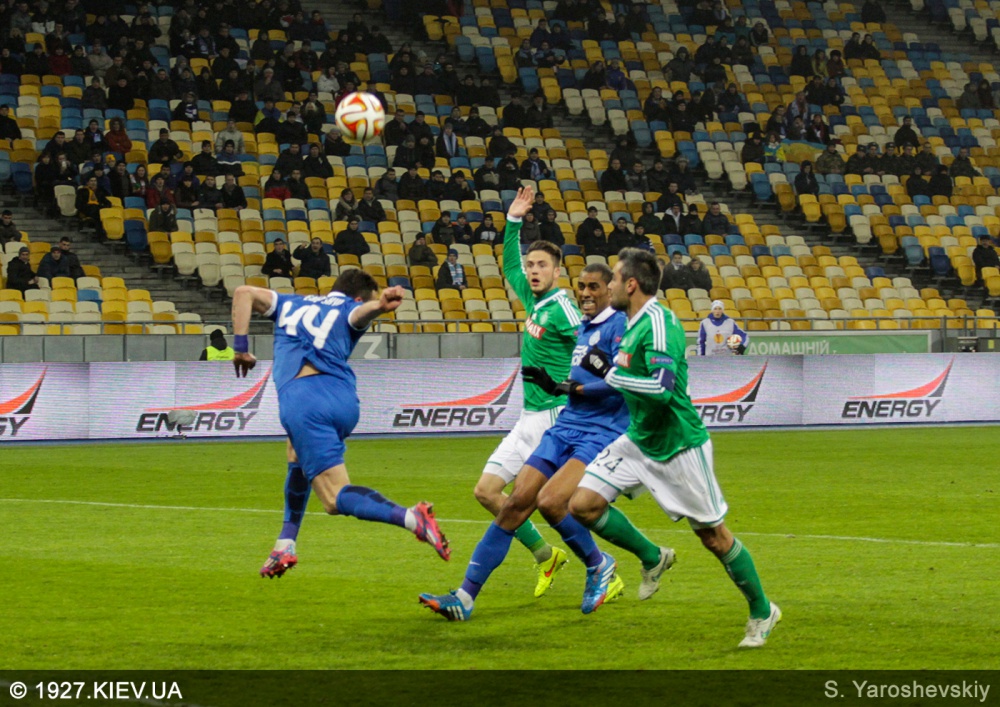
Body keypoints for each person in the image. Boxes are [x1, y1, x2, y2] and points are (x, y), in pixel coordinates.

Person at [422, 262, 671, 621]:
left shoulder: (622, 326)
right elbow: (585, 374)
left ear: (611, 290)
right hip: (566, 424)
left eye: (594, 287)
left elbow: (624, 382)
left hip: (602, 430)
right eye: (581, 286)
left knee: (553, 502)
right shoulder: (585, 327)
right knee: (515, 504)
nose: (585, 293)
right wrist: (557, 385)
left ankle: (602, 563)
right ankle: (464, 597)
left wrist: (578, 386)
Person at [567, 249, 780, 647]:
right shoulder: (629, 325)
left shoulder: (660, 323)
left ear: (631, 284)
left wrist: (614, 376)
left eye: (614, 279)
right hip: (639, 439)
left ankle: (762, 609)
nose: (609, 285)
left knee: (714, 537)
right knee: (582, 505)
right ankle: (653, 556)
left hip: (679, 445)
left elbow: (662, 389)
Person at [232, 271, 450, 580]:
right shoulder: (349, 309)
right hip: (342, 398)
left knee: (334, 499)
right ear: (358, 297)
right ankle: (285, 543)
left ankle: (412, 518)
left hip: (306, 401)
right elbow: (359, 314)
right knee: (296, 453)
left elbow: (243, 292)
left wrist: (241, 348)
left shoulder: (289, 303)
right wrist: (379, 307)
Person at [452, 185, 582, 594]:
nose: (533, 270)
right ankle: (547, 555)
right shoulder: (533, 299)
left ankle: (604, 567)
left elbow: (592, 349)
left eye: (542, 265)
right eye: (531, 265)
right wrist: (512, 221)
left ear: (558, 272)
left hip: (553, 418)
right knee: (487, 491)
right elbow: (509, 266)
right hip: (528, 419)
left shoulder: (564, 309)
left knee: (557, 504)